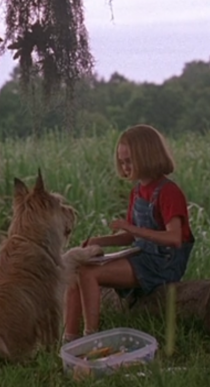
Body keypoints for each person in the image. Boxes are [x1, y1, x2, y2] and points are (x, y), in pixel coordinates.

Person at [63, 124, 195, 342]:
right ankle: (69, 339)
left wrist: (132, 228)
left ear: (147, 156)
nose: (124, 167)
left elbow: (174, 238)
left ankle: (91, 338)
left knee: (89, 274)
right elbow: (132, 238)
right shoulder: (138, 191)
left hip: (164, 264)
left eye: (129, 161)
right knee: (78, 270)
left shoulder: (169, 192)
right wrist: (100, 240)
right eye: (121, 162)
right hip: (143, 255)